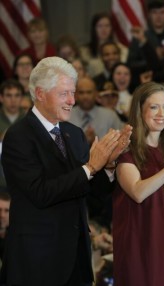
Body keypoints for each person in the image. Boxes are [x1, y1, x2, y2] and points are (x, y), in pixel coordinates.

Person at [0, 56, 132, 286]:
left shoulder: (74, 134)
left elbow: (90, 191)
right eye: (64, 94)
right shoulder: (18, 136)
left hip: (77, 260)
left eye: (73, 92)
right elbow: (41, 192)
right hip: (38, 262)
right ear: (40, 93)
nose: (72, 100)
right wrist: (91, 166)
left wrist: (108, 165)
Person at [113, 82, 164, 286]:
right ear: (140, 110)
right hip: (139, 242)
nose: (162, 113)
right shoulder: (125, 149)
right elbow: (137, 192)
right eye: (154, 107)